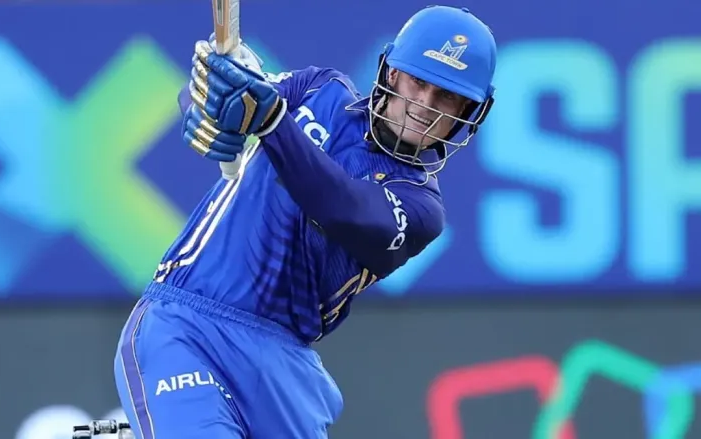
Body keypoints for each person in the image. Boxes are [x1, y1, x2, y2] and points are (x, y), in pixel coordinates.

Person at [112, 5, 497, 439]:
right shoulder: (321, 89)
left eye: (446, 96)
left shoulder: (422, 208)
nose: (425, 106)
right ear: (391, 73)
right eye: (418, 82)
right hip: (187, 325)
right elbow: (220, 92)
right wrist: (208, 107)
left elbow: (341, 205)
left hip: (282, 365)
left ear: (469, 110)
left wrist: (272, 123)